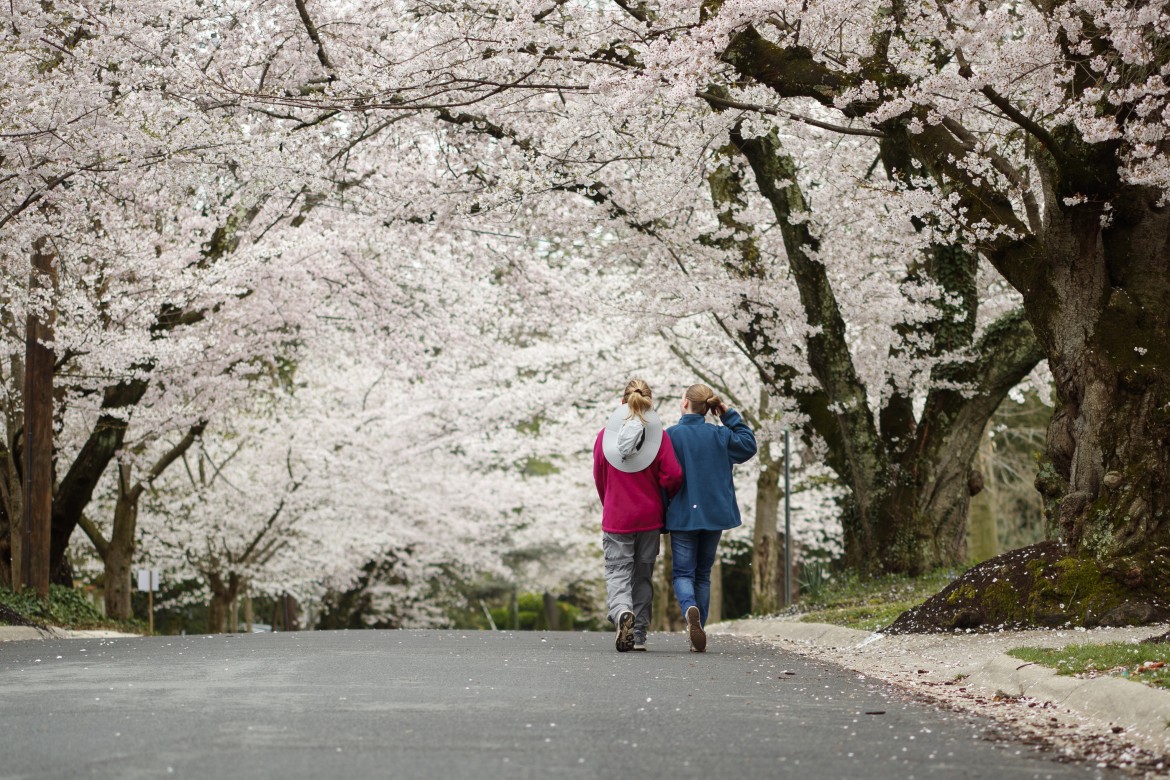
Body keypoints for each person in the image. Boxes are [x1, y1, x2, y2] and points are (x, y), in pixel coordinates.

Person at [665, 383, 757, 652]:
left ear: (685, 404)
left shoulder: (670, 437)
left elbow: (662, 476)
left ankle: (689, 608)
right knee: (703, 574)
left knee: (683, 572)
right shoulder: (720, 435)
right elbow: (748, 446)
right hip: (713, 514)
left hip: (682, 514)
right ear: (709, 407)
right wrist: (729, 416)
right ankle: (699, 629)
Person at [593, 379, 683, 652]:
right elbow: (674, 474)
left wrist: (609, 502)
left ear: (623, 403)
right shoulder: (660, 438)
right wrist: (662, 497)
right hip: (649, 517)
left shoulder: (604, 437)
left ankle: (622, 612)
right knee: (642, 574)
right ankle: (640, 634)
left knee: (618, 571)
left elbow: (599, 475)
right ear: (649, 404)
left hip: (617, 515)